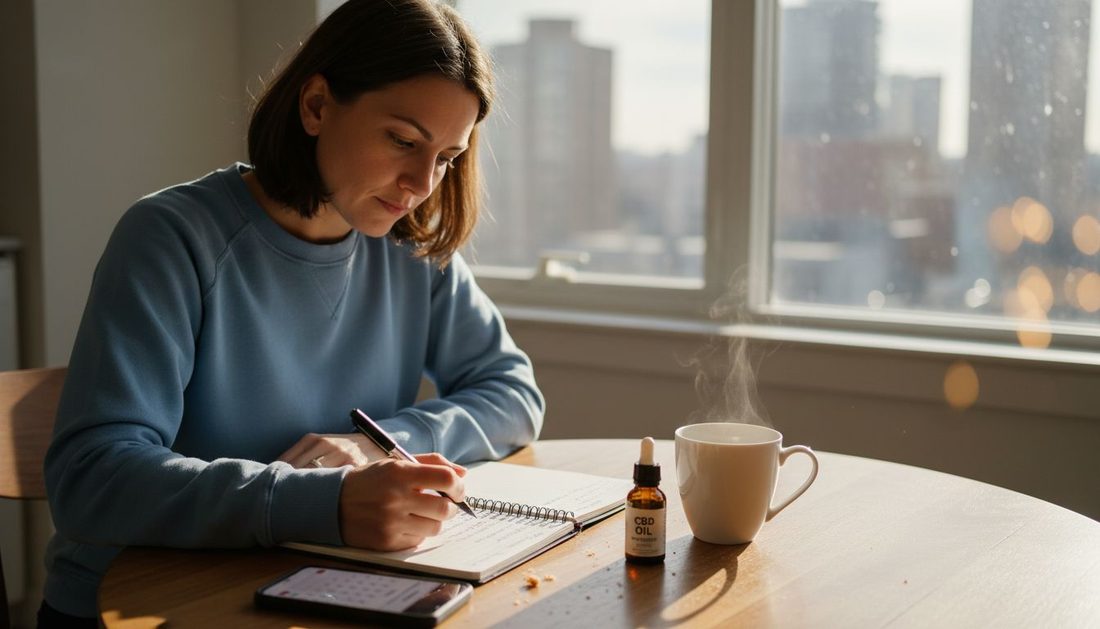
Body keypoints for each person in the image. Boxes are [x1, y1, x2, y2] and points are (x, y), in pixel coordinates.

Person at [39, 1, 544, 625]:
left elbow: (515, 393)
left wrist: (380, 447)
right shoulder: (172, 237)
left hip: (321, 589)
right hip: (137, 602)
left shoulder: (411, 249)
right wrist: (322, 503)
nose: (421, 182)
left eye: (444, 157)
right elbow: (91, 480)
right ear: (316, 106)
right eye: (403, 140)